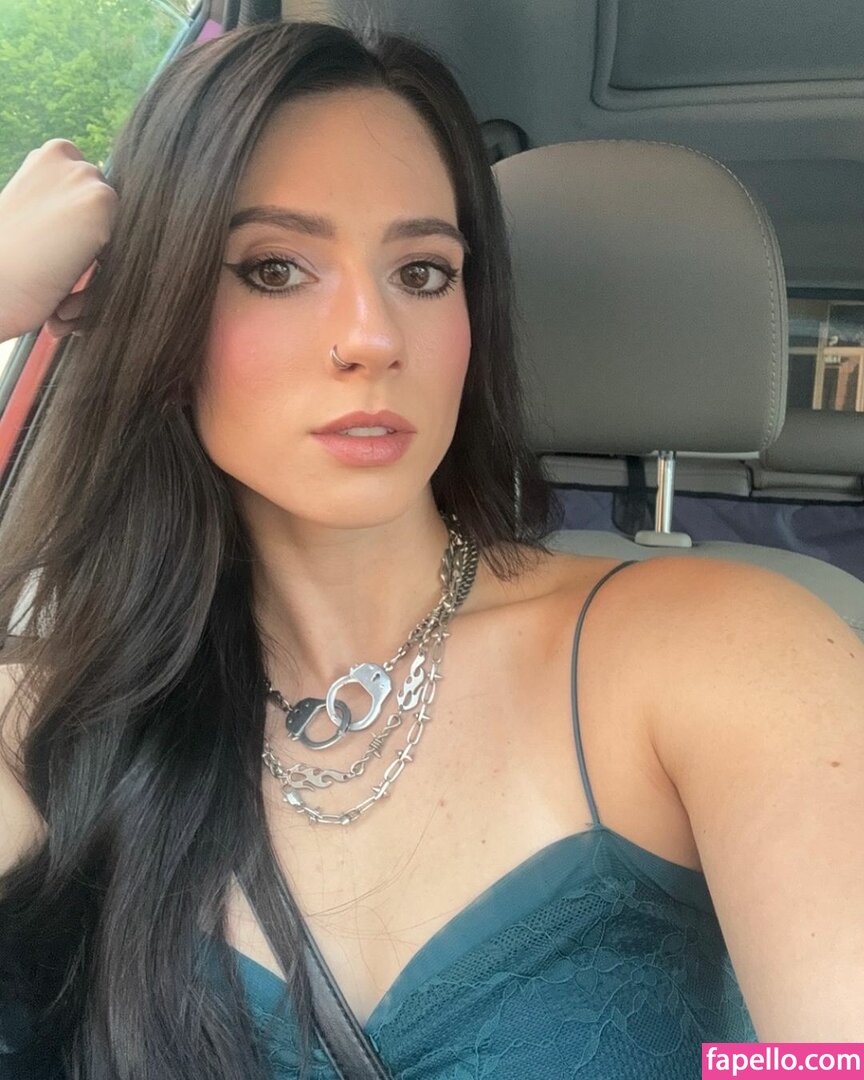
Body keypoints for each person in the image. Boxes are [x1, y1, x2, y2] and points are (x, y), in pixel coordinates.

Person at [0, 19, 861, 1080]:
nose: (373, 336)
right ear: (162, 317)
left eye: (421, 271)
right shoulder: (57, 721)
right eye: (274, 268)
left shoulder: (723, 650)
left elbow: (834, 1060)